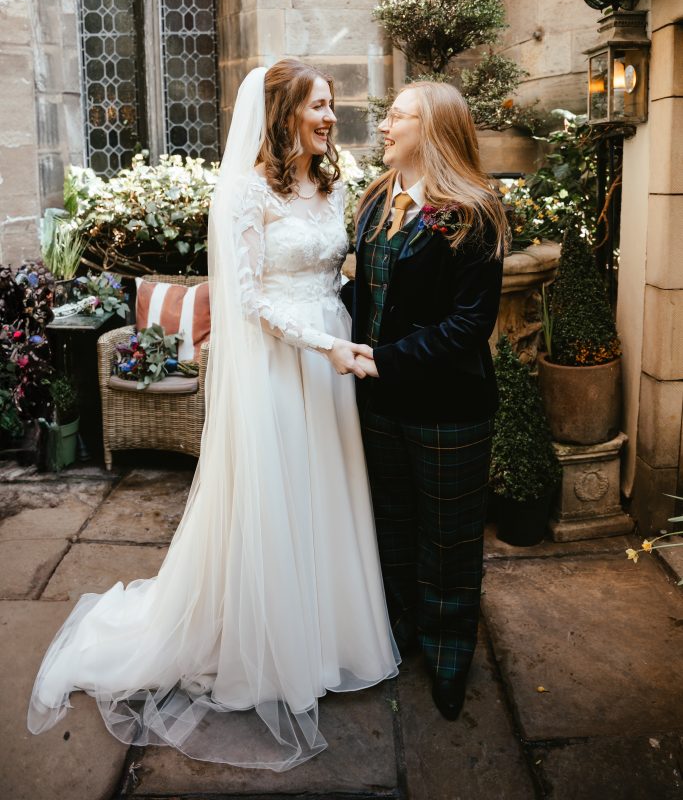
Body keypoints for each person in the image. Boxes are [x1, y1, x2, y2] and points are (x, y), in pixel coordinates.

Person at [27, 61, 399, 770]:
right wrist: (329, 345)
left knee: (325, 492)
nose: (330, 117)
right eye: (317, 106)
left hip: (331, 360)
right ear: (283, 111)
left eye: (331, 106)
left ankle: (331, 637)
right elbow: (250, 300)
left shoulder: (331, 181)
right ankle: (272, 650)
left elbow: (334, 268)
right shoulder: (241, 191)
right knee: (278, 494)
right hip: (282, 363)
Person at [342, 80, 507, 721]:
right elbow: (370, 293)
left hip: (448, 409)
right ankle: (402, 626)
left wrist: (383, 360)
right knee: (394, 523)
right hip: (379, 406)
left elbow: (470, 324)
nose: (383, 126)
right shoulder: (377, 201)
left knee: (450, 538)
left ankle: (449, 651)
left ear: (433, 129)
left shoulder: (474, 212)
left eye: (396, 117)